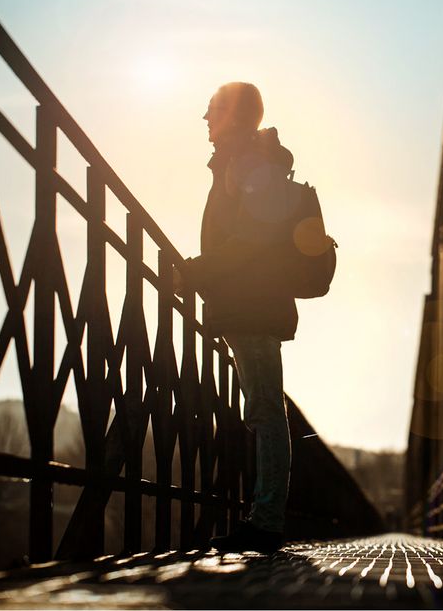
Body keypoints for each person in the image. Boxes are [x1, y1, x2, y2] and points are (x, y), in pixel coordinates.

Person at [175, 82, 296, 554]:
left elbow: (252, 239)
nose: (204, 119)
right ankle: (264, 517)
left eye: (211, 110)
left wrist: (194, 270)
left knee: (265, 410)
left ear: (234, 116)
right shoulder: (239, 162)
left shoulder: (246, 162)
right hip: (250, 303)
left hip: (254, 304)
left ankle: (266, 522)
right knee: (264, 410)